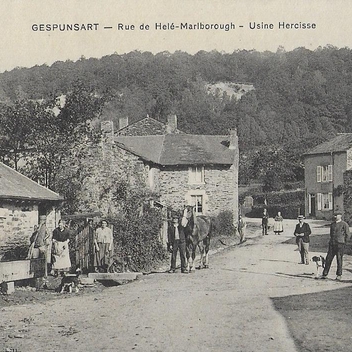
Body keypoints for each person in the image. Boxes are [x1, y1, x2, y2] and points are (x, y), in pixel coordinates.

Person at [321, 213, 351, 280]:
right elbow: (331, 234)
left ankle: (339, 275)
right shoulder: (332, 224)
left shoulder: (344, 224)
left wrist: (344, 242)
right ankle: (324, 274)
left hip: (340, 244)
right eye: (334, 215)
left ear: (340, 216)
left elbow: (348, 235)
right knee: (328, 259)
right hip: (332, 244)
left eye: (336, 215)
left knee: (339, 259)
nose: (335, 216)